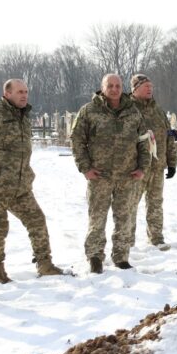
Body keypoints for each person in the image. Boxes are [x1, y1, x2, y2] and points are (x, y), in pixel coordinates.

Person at [0, 79, 65, 282]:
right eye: (19, 92)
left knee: (37, 221)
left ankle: (45, 264)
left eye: (26, 91)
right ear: (7, 93)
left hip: (21, 186)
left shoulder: (23, 115)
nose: (24, 95)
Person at [71, 74, 150, 274]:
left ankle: (121, 257)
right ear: (102, 88)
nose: (114, 89)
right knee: (97, 218)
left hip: (127, 176)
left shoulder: (133, 112)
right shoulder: (89, 111)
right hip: (100, 176)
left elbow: (144, 141)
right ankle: (95, 257)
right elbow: (77, 140)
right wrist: (85, 168)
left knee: (124, 218)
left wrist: (142, 167)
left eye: (118, 86)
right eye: (110, 86)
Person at [130, 74, 177, 250]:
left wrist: (172, 162)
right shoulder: (128, 109)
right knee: (130, 205)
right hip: (137, 168)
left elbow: (168, 136)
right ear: (135, 89)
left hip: (157, 167)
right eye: (145, 86)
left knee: (156, 203)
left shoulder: (157, 110)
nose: (150, 89)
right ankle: (127, 242)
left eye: (151, 86)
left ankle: (156, 237)